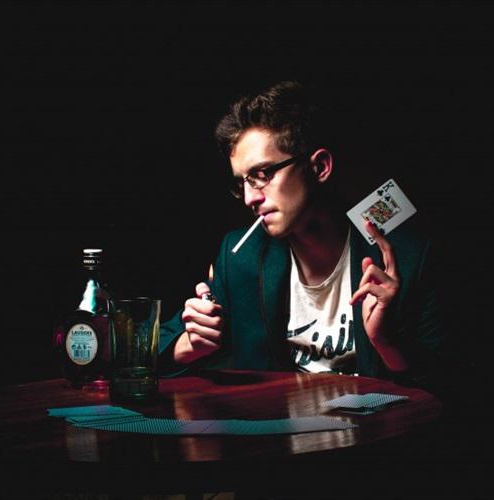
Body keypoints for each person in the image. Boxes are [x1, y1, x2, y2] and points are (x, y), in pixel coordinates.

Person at [159, 80, 450, 390]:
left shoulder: (407, 255)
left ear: (320, 167)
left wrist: (386, 342)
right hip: (280, 421)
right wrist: (188, 346)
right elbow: (156, 347)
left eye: (262, 174)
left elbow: (446, 385)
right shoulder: (240, 256)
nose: (249, 198)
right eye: (242, 182)